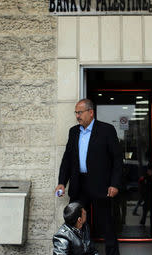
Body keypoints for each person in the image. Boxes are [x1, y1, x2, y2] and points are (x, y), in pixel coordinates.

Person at [55, 99, 122, 255]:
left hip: (101, 186)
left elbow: (117, 160)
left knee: (106, 225)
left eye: (80, 112)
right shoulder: (74, 132)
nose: (77, 116)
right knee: (74, 223)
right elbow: (67, 159)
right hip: (79, 186)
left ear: (91, 112)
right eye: (76, 113)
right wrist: (61, 183)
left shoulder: (106, 130)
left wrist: (115, 184)